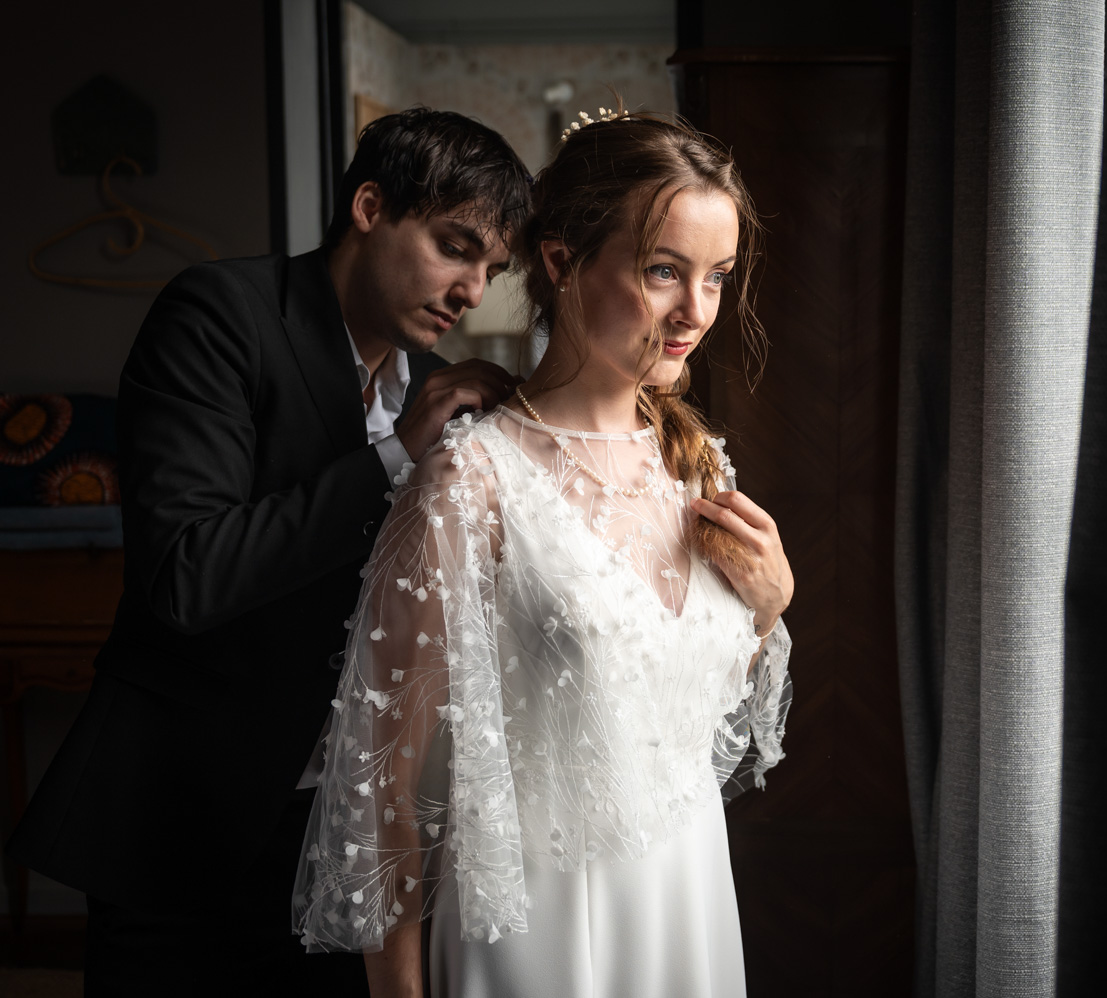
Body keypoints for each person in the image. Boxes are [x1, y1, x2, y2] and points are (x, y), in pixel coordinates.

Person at [6, 108, 530, 994]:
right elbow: (187, 572)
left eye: (492, 270)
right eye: (455, 248)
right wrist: (396, 453)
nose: (473, 290)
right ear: (370, 207)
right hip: (183, 819)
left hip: (338, 830)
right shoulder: (220, 313)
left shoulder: (423, 388)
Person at [293, 107, 795, 997]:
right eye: (664, 271)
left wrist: (767, 607)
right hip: (541, 931)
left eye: (717, 277)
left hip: (688, 906)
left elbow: (696, 719)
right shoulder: (472, 480)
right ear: (561, 263)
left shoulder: (696, 466)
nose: (696, 311)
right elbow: (385, 785)